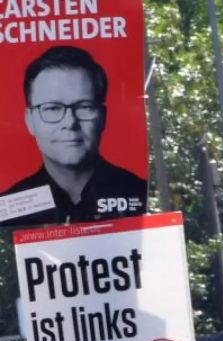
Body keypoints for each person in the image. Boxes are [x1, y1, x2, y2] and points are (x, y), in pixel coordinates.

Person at [1, 46, 146, 226]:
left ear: (103, 117)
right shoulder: (8, 208)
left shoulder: (140, 193)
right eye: (53, 108)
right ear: (29, 121)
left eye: (84, 107)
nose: (70, 123)